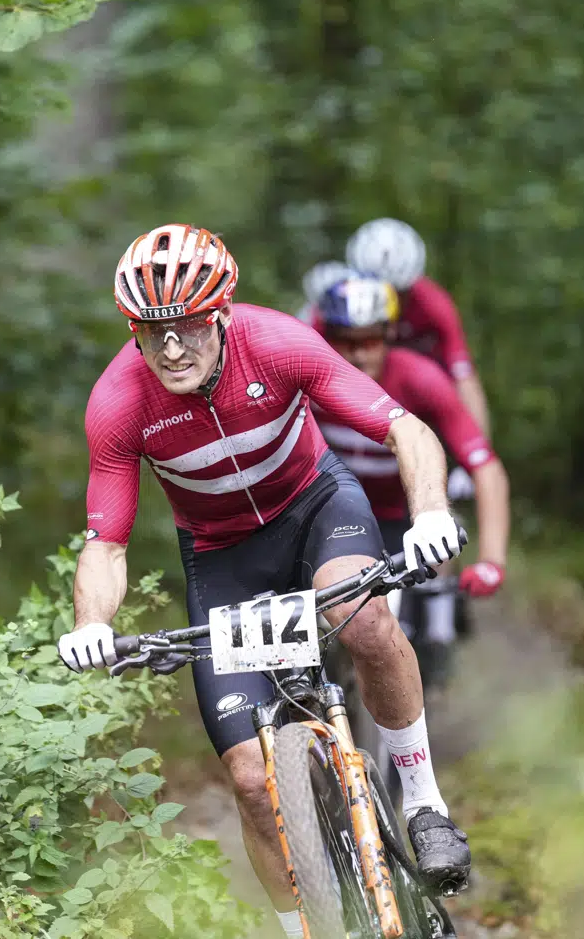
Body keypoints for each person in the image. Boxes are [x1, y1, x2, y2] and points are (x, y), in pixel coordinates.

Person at [59, 223, 474, 935]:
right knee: (253, 780)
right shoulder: (120, 403)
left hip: (316, 508)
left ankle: (424, 800)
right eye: (151, 331)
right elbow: (106, 544)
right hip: (223, 559)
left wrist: (430, 511)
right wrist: (92, 624)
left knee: (367, 617)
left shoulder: (278, 343)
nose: (170, 348)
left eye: (188, 325)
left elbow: (405, 428)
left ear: (220, 312)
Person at [310, 272, 510, 692]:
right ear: (325, 338)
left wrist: (492, 560)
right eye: (346, 342)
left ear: (389, 336)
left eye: (370, 341)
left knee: (436, 548)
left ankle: (437, 640)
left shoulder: (421, 379)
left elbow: (486, 468)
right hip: (332, 513)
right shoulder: (306, 373)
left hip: (400, 512)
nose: (359, 355)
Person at [344, 218, 493, 439]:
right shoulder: (335, 302)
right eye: (378, 294)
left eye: (399, 293)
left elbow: (464, 378)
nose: (389, 303)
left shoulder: (434, 305)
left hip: (421, 401)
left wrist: (480, 451)